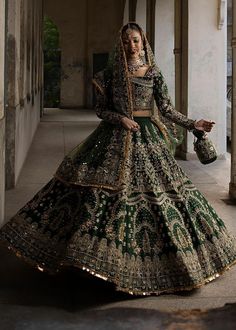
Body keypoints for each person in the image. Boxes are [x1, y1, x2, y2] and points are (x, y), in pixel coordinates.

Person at [0, 22, 236, 296]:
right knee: (98, 196)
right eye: (126, 41)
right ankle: (99, 260)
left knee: (162, 197)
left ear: (143, 42)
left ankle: (156, 266)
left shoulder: (154, 73)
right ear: (120, 44)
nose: (131, 46)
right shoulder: (111, 74)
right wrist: (121, 118)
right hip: (114, 137)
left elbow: (167, 109)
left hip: (148, 140)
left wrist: (194, 123)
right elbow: (101, 110)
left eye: (135, 41)